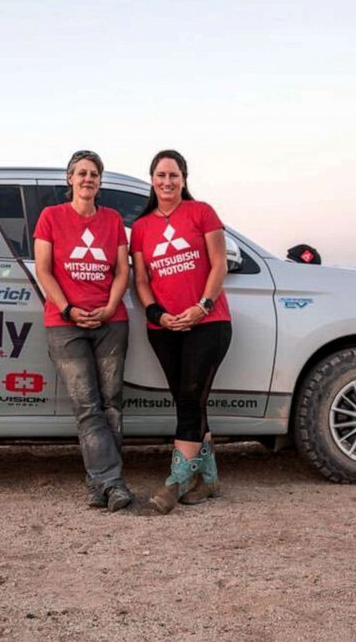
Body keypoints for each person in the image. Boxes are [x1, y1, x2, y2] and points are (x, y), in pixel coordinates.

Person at [130, 149, 232, 514]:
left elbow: (219, 264)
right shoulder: (141, 227)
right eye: (161, 175)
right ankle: (208, 478)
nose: (167, 182)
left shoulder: (201, 211)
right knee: (190, 401)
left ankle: (175, 481)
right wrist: (157, 314)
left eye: (174, 175)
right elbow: (141, 280)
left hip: (208, 321)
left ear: (184, 179)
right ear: (152, 179)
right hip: (165, 328)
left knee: (189, 398)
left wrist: (201, 306)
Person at [34, 150, 134, 512]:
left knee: (112, 404)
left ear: (100, 181)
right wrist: (68, 308)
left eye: (94, 174)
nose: (88, 179)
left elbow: (122, 271)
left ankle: (100, 485)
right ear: (70, 179)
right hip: (65, 324)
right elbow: (43, 270)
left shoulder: (112, 219)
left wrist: (109, 306)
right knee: (88, 406)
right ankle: (112, 482)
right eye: (81, 173)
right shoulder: (51, 217)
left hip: (111, 322)